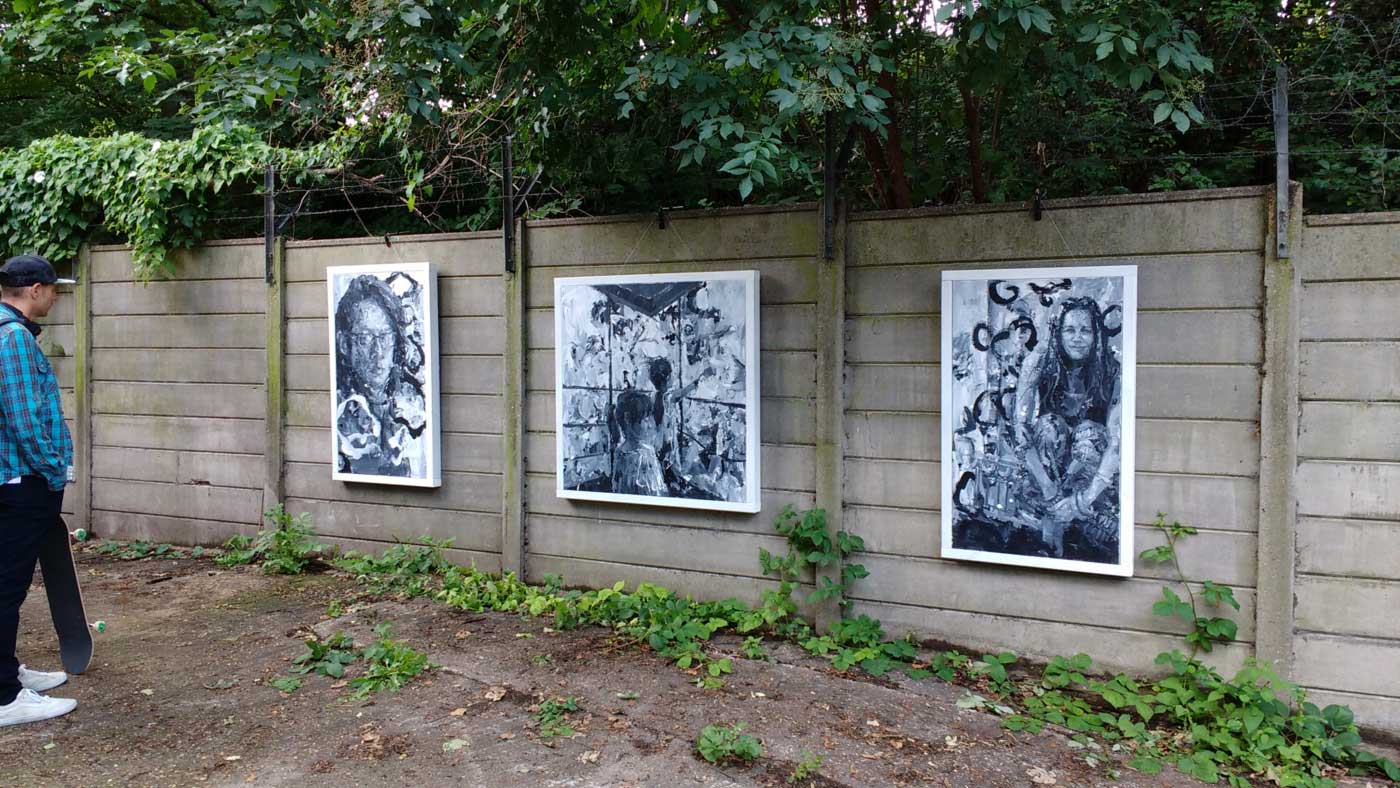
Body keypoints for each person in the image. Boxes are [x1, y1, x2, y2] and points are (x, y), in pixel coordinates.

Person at [0, 254, 79, 727]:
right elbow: (24, 420)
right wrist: (54, 471)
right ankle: (5, 697)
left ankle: (7, 672)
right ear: (35, 289)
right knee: (7, 587)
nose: (55, 297)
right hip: (20, 483)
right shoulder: (13, 338)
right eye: (53, 289)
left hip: (10, 478)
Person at [1012, 296, 1123, 558]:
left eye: (1085, 330)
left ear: (1096, 334)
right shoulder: (1038, 361)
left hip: (1089, 468)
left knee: (1090, 432)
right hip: (1047, 466)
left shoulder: (1113, 368)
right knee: (1049, 426)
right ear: (1058, 332)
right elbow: (1021, 430)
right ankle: (1054, 528)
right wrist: (1049, 491)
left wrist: (1082, 501)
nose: (1077, 338)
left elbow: (1117, 442)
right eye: (1070, 330)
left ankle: (1071, 521)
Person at [333, 274, 426, 478]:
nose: (378, 351)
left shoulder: (414, 405)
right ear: (344, 344)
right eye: (365, 338)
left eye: (384, 337)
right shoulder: (342, 410)